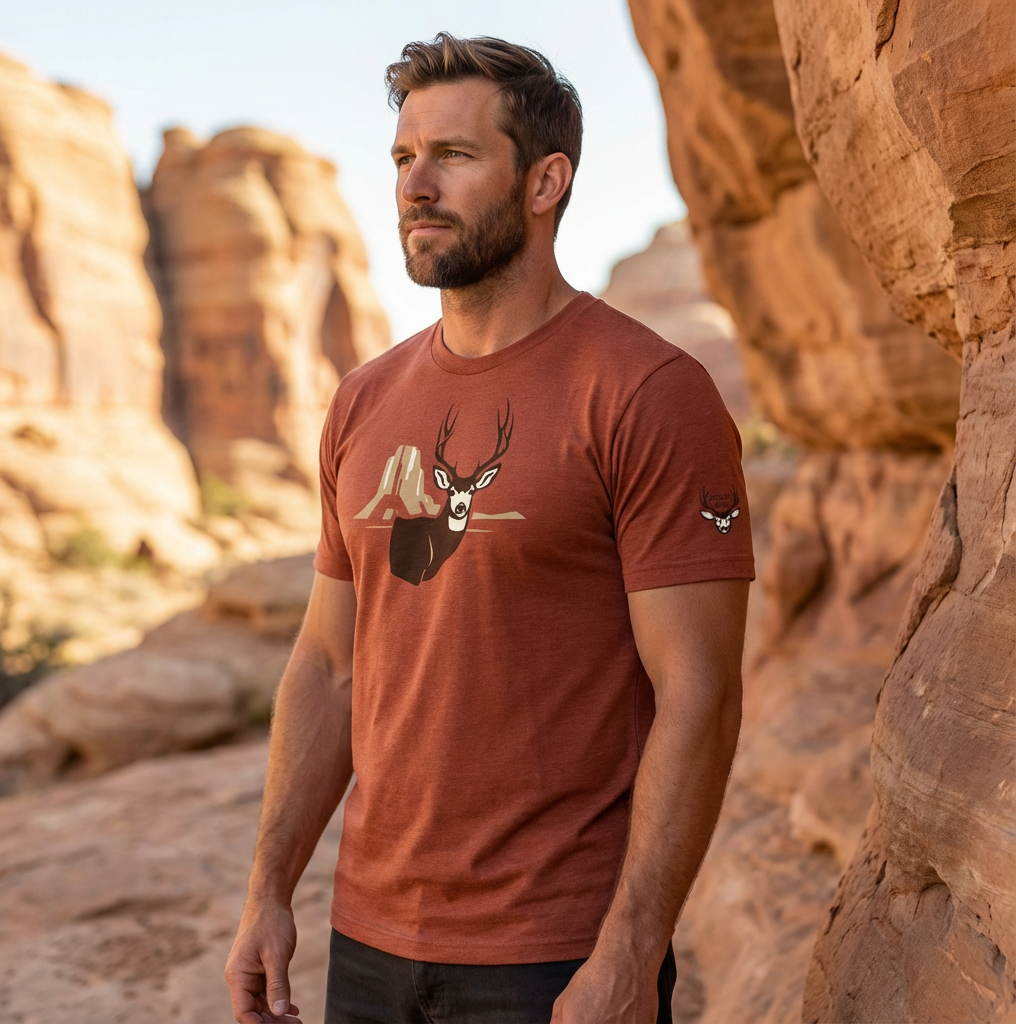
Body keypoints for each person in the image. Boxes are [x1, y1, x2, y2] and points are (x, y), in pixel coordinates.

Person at [225, 32, 753, 1024]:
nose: (415, 185)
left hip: (553, 957)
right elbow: (330, 664)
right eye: (401, 157)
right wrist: (269, 891)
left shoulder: (646, 393)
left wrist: (627, 954)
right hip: (369, 946)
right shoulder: (363, 400)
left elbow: (700, 689)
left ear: (546, 180)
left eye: (454, 156)